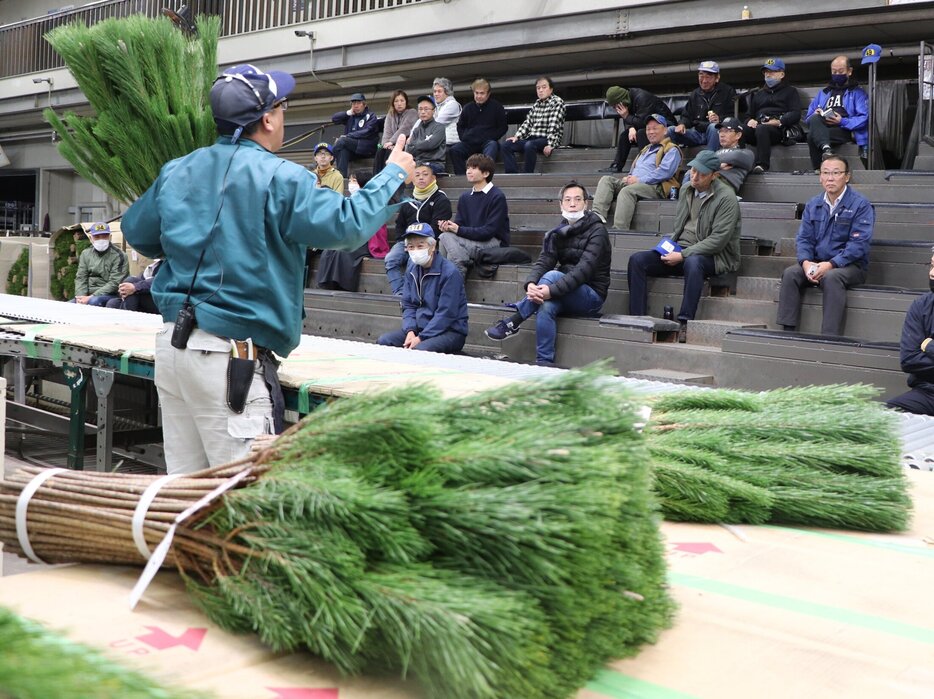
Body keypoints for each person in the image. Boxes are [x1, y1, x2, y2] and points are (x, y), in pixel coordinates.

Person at [122, 63, 415, 474]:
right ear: (267, 118)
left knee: (185, 497)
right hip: (228, 361)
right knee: (242, 504)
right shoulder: (283, 177)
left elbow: (138, 232)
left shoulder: (177, 169)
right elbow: (347, 226)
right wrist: (393, 173)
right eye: (282, 106)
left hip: (174, 350)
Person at [484, 182, 610, 367]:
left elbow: (583, 271)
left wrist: (550, 289)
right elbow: (544, 260)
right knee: (546, 305)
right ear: (561, 205)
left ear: (586, 204)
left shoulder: (598, 231)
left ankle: (515, 320)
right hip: (564, 290)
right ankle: (544, 362)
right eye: (567, 200)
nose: (572, 204)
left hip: (591, 296)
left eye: (577, 199)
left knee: (551, 277)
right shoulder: (558, 232)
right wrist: (531, 284)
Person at [626, 150, 741, 342]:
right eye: (693, 171)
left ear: (715, 175)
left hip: (716, 256)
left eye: (701, 174)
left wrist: (683, 255)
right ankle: (638, 318)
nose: (694, 176)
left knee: (693, 263)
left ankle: (685, 322)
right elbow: (679, 227)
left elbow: (718, 241)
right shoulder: (686, 188)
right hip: (682, 249)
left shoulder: (726, 198)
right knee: (637, 260)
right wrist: (669, 247)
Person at [776, 155, 873, 336]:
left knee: (832, 278)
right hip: (816, 263)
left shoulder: (861, 204)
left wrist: (831, 264)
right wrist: (805, 262)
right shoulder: (814, 204)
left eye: (836, 173)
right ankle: (787, 332)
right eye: (826, 173)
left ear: (847, 176)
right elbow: (804, 239)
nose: (830, 178)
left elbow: (859, 244)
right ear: (820, 177)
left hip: (850, 267)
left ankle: (829, 337)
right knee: (791, 274)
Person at [377, 222, 468, 354]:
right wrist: (410, 331)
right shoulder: (412, 270)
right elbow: (408, 305)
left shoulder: (450, 273)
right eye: (411, 247)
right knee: (384, 342)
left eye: (420, 246)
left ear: (432, 246)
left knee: (419, 351)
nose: (415, 251)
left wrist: (421, 337)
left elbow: (446, 314)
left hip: (450, 331)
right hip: (420, 329)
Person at [591, 114, 682, 230]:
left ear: (665, 130)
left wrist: (639, 180)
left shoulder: (671, 149)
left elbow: (665, 172)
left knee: (627, 191)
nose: (650, 132)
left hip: (656, 187)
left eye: (655, 128)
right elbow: (635, 168)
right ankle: (597, 217)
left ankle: (619, 229)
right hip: (636, 183)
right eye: (648, 129)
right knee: (606, 180)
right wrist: (629, 177)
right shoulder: (646, 149)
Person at [437, 153, 510, 278]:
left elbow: (489, 231)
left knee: (446, 239)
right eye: (468, 168)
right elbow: (460, 224)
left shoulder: (497, 196)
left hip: (493, 243)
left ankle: (456, 273)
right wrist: (449, 227)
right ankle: (458, 268)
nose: (468, 171)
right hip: (470, 241)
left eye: (474, 168)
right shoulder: (465, 197)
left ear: (486, 174)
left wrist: (458, 230)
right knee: (445, 236)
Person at [384, 162, 452, 295]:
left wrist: (417, 244)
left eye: (425, 174)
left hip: (427, 241)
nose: (421, 178)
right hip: (406, 241)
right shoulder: (408, 200)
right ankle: (400, 293)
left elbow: (436, 228)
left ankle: (412, 293)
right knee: (390, 259)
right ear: (413, 180)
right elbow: (400, 225)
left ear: (433, 178)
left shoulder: (441, 199)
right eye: (417, 175)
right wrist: (404, 242)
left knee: (413, 261)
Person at [887, 251, 934, 415]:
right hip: (928, 392)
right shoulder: (921, 305)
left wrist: (929, 347)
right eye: (932, 265)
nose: (932, 273)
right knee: (885, 414)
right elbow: (909, 359)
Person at [804, 55, 869, 170]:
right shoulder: (823, 93)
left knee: (811, 136)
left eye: (840, 71)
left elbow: (864, 118)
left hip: (844, 130)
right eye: (834, 71)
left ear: (849, 71)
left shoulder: (857, 93)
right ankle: (827, 150)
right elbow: (808, 118)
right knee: (814, 121)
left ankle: (819, 168)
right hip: (823, 127)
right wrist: (816, 114)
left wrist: (841, 121)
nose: (837, 74)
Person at [742, 58, 801, 173]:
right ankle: (739, 163)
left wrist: (779, 121)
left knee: (762, 129)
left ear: (782, 74)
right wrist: (749, 121)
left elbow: (795, 114)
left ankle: (762, 165)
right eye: (766, 72)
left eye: (772, 72)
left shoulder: (790, 91)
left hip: (778, 129)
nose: (768, 75)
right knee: (739, 130)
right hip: (759, 127)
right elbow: (748, 115)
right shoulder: (758, 94)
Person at [598, 85, 675, 173]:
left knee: (641, 133)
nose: (615, 109)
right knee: (625, 135)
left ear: (621, 100)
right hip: (647, 127)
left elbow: (643, 122)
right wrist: (630, 127)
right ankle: (616, 165)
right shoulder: (627, 100)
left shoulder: (642, 98)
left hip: (665, 127)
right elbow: (630, 118)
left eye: (616, 106)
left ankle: (644, 164)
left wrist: (626, 116)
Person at [667, 61, 736, 153]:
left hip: (717, 133)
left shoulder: (727, 92)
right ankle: (672, 161)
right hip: (697, 133)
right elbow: (687, 116)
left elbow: (734, 115)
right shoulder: (695, 94)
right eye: (701, 76)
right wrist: (682, 124)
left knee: (713, 127)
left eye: (708, 77)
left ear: (717, 78)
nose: (704, 80)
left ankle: (709, 160)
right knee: (671, 130)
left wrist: (720, 120)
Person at [500, 76, 566, 173]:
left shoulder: (557, 102)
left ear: (551, 89)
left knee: (529, 145)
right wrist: (517, 136)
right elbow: (528, 122)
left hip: (546, 138)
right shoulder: (537, 103)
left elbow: (554, 125)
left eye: (544, 87)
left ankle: (527, 174)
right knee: (506, 145)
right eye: (538, 88)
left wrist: (551, 144)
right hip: (532, 138)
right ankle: (512, 173)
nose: (540, 90)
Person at [450, 78, 507, 175]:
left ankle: (485, 175)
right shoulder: (467, 108)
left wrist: (491, 137)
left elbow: (503, 127)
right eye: (476, 93)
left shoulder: (497, 107)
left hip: (487, 142)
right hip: (469, 143)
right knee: (455, 150)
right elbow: (460, 126)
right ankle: (461, 178)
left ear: (488, 94)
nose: (479, 96)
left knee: (492, 146)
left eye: (482, 93)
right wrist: (464, 137)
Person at [71, 221, 128, 306]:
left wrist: (91, 297)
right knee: (67, 306)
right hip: (87, 294)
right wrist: (80, 297)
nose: (101, 239)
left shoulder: (119, 255)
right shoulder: (85, 254)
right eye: (97, 237)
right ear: (91, 239)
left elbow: (115, 283)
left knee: (94, 302)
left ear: (110, 237)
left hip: (111, 294)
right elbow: (81, 277)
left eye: (104, 236)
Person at [331, 92, 380, 177]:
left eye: (358, 103)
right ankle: (342, 178)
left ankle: (329, 159)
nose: (356, 105)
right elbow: (334, 119)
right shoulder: (350, 116)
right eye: (353, 103)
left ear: (364, 104)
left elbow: (367, 131)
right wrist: (348, 113)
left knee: (342, 141)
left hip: (367, 148)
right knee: (343, 149)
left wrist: (348, 136)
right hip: (353, 149)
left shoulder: (371, 116)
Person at [374, 89, 418, 173]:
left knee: (391, 152)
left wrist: (391, 142)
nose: (399, 103)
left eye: (402, 100)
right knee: (380, 150)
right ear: (393, 103)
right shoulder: (390, 115)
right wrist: (386, 144)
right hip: (391, 145)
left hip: (407, 145)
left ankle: (387, 176)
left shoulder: (412, 112)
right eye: (396, 101)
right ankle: (376, 177)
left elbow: (405, 128)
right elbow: (387, 132)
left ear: (406, 102)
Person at [711, 117, 755, 194]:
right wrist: (718, 165)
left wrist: (711, 164)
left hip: (724, 185)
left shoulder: (746, 153)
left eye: (727, 131)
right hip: (708, 182)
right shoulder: (715, 153)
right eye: (720, 131)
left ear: (738, 135)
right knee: (689, 175)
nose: (722, 135)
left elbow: (735, 156)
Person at [406, 95, 448, 175]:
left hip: (435, 164)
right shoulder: (416, 130)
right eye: (420, 109)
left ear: (434, 111)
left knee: (421, 172)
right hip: (418, 163)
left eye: (426, 109)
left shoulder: (439, 128)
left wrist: (416, 144)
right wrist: (424, 144)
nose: (423, 112)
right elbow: (409, 150)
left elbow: (431, 145)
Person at [432, 77, 462, 147]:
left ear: (447, 92)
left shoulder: (452, 104)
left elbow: (437, 123)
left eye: (439, 91)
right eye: (434, 91)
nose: (436, 94)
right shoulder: (436, 107)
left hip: (450, 144)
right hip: (440, 143)